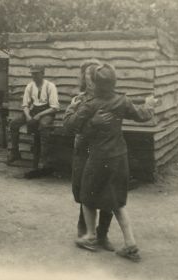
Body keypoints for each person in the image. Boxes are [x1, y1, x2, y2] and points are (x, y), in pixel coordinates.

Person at [63, 63, 157, 262]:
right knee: (117, 201)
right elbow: (142, 115)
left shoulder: (89, 104)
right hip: (119, 156)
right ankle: (130, 243)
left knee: (86, 196)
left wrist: (81, 115)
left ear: (95, 83)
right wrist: (150, 104)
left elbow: (70, 125)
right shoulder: (122, 101)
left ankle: (90, 236)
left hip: (98, 157)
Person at [64, 59, 114, 252]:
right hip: (84, 150)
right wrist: (92, 122)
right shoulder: (79, 100)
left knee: (108, 192)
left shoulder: (111, 99)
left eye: (95, 76)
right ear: (84, 79)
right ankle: (84, 230)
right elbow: (69, 127)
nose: (92, 80)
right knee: (85, 191)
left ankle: (103, 234)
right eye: (88, 76)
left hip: (106, 151)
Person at [8, 65, 60, 173]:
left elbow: (54, 107)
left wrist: (39, 115)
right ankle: (15, 152)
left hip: (47, 112)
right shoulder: (30, 86)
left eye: (36, 73)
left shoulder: (50, 86)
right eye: (32, 74)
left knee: (43, 127)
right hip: (33, 111)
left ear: (42, 73)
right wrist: (28, 116)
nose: (34, 76)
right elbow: (25, 105)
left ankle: (43, 160)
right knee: (14, 124)